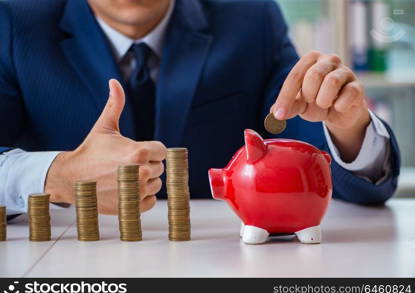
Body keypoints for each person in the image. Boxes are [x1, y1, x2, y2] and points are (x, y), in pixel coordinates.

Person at [0, 0, 400, 216]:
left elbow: (293, 127)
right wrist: (57, 174)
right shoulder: (15, 21)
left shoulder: (252, 18)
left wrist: (350, 131)